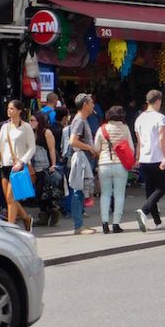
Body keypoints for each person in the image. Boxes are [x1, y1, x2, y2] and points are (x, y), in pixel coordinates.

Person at [0, 99, 36, 231]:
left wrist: (22, 161)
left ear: (19, 111)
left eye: (12, 108)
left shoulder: (26, 127)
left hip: (17, 166)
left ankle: (10, 228)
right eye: (8, 108)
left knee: (11, 197)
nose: (9, 110)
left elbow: (31, 147)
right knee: (10, 199)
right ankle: (26, 218)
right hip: (4, 164)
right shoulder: (5, 126)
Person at [133, 90, 165, 232]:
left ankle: (158, 222)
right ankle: (144, 211)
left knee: (150, 190)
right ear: (158, 101)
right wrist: (164, 156)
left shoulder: (139, 119)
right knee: (161, 188)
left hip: (144, 158)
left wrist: (137, 157)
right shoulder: (160, 118)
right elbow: (162, 137)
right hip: (157, 157)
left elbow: (139, 141)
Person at [95, 105, 133, 234]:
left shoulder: (102, 129)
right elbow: (131, 149)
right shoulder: (125, 128)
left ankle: (104, 223)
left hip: (104, 164)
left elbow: (96, 148)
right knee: (119, 195)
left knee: (105, 194)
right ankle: (116, 224)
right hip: (120, 165)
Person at [67, 94, 97, 235]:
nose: (93, 105)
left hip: (84, 159)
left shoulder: (82, 119)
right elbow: (73, 141)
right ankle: (78, 226)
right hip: (81, 159)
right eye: (91, 103)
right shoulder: (79, 120)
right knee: (78, 191)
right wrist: (90, 148)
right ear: (85, 104)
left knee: (80, 191)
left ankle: (80, 224)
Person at [30, 111, 60, 226]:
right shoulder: (32, 132)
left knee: (44, 191)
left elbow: (52, 149)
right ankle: (45, 214)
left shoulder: (46, 132)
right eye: (30, 120)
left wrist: (53, 164)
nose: (31, 122)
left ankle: (52, 210)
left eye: (33, 120)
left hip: (45, 166)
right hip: (35, 166)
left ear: (39, 121)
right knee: (38, 193)